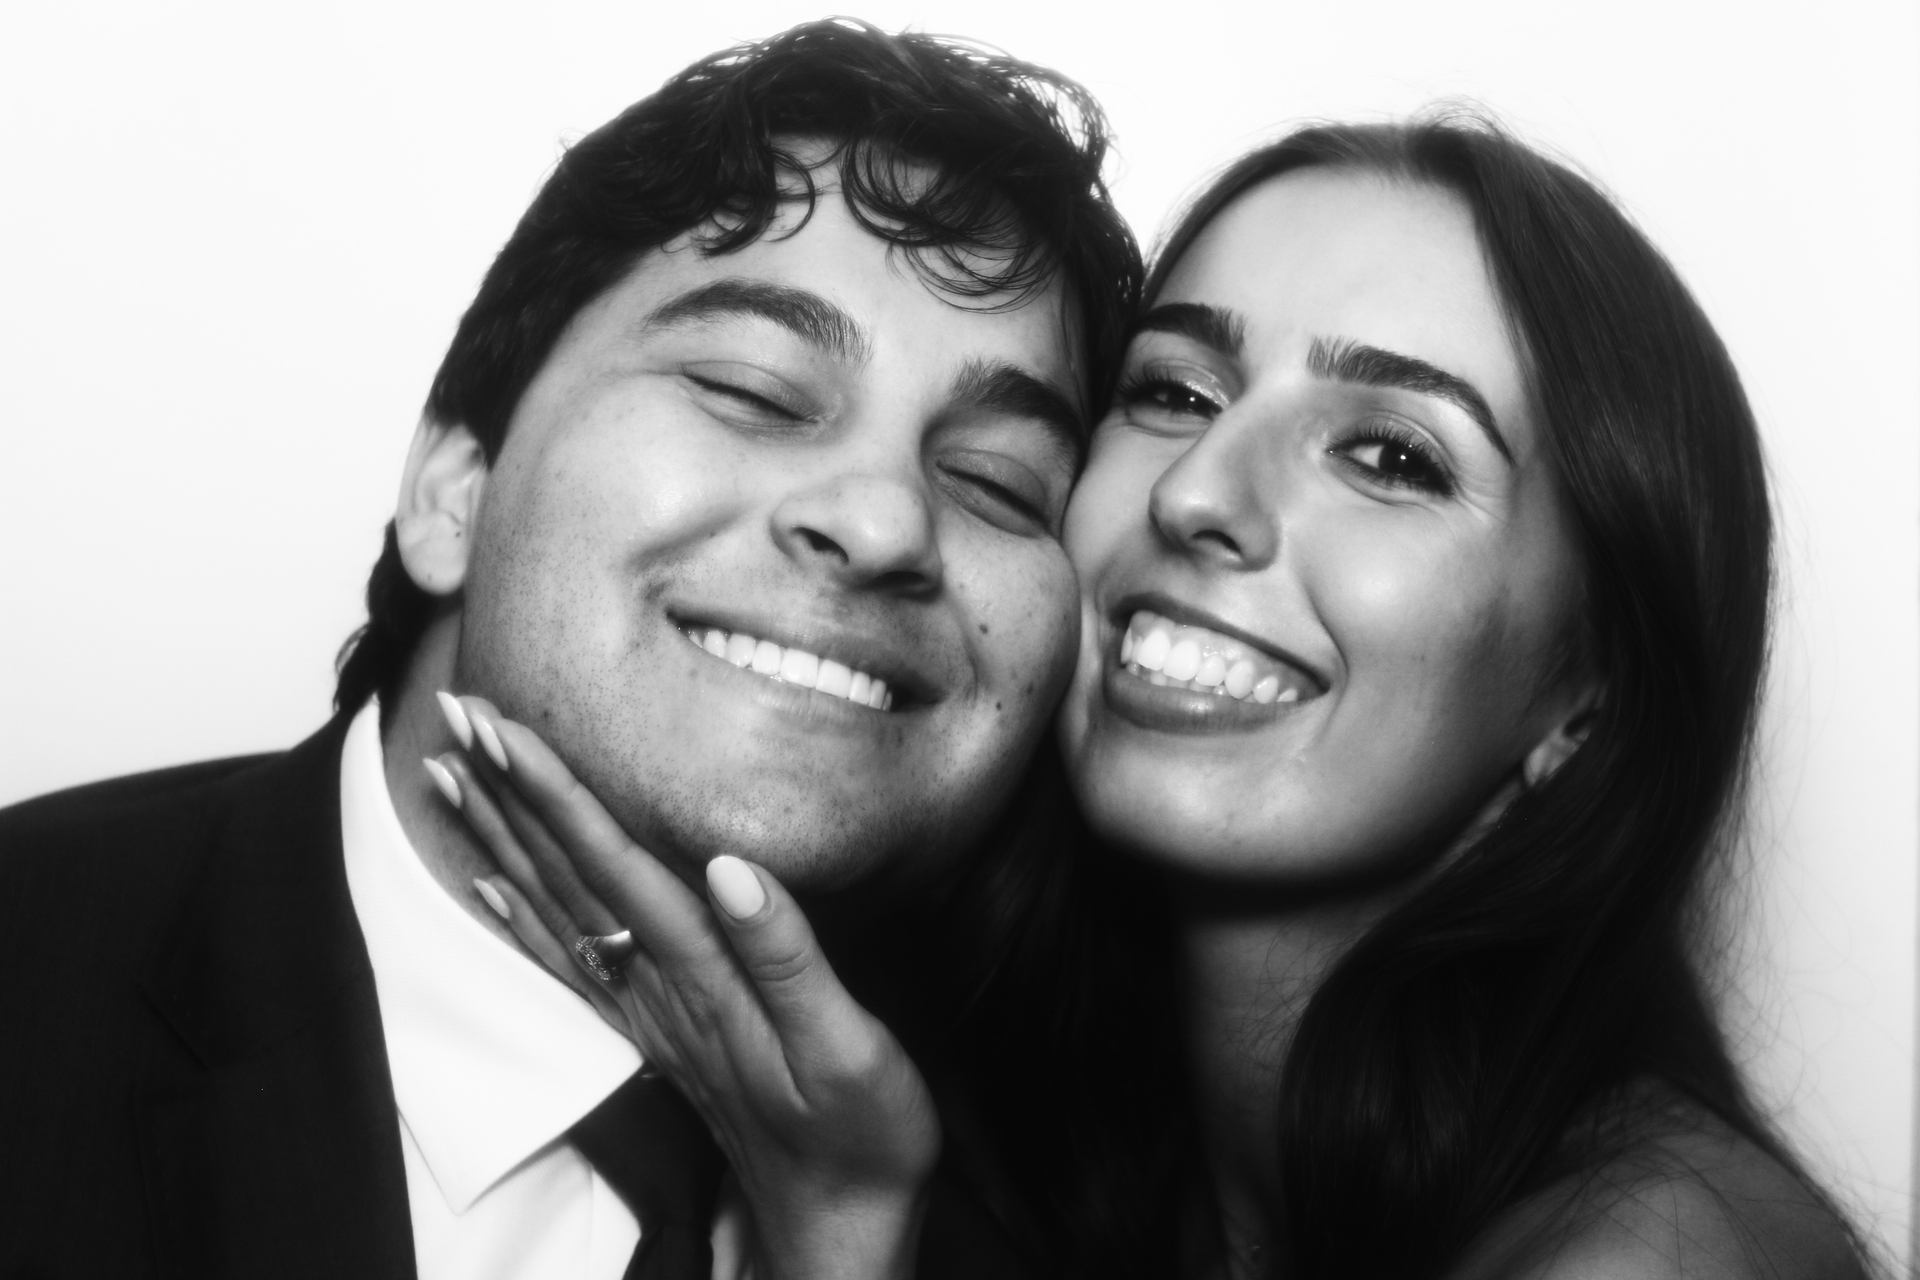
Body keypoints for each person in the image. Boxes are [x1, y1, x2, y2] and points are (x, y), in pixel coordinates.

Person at [459, 116, 1871, 1278]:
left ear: (1590, 699)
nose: (1197, 493)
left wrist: (832, 1244)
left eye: (1390, 458)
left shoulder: (1655, 1260)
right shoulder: (1063, 1148)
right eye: (1178, 391)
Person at [0, 19, 1139, 1280]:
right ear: (453, 491)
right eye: (753, 391)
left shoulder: (1086, 1207)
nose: (881, 522)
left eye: (997, 479)